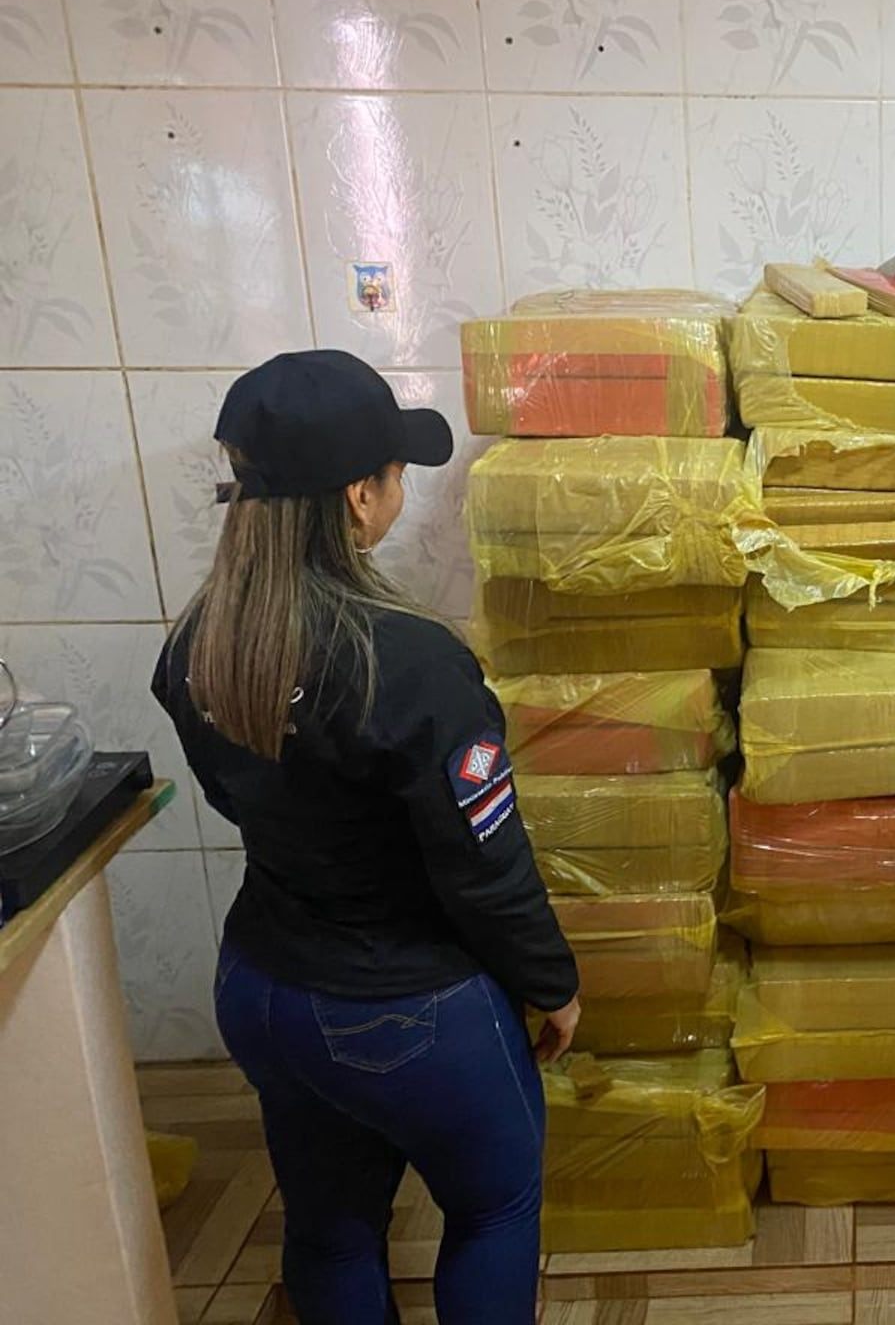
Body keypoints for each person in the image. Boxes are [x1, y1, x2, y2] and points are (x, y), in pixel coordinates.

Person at [152, 351, 579, 1325]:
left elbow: (235, 798)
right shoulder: (411, 661)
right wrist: (552, 983)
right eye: (394, 472)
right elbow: (484, 867)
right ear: (358, 496)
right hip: (401, 1007)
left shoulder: (198, 643)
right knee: (494, 1205)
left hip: (261, 990)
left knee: (331, 1227)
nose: (398, 489)